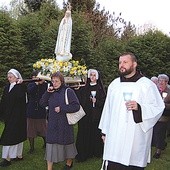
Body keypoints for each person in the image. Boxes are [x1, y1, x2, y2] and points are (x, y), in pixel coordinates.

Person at [99, 52, 165, 170]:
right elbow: (107, 109)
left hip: (135, 136)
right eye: (120, 62)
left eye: (125, 62)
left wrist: (139, 108)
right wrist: (104, 132)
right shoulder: (114, 85)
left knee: (132, 163)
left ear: (134, 64)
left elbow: (158, 107)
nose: (121, 65)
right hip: (115, 137)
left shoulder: (146, 85)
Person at [39, 71, 80, 170]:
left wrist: (62, 108)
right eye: (53, 81)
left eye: (56, 81)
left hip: (64, 124)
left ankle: (69, 163)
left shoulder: (68, 91)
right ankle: (49, 168)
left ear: (62, 81)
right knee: (51, 145)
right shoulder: (50, 91)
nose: (54, 83)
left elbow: (76, 106)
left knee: (67, 146)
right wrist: (47, 93)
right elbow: (42, 103)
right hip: (53, 124)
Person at [75, 69, 106, 162]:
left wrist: (97, 102)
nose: (92, 77)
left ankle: (96, 151)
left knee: (95, 133)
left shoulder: (100, 88)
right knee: (85, 133)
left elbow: (104, 102)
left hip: (96, 115)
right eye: (91, 75)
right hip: (86, 115)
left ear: (97, 77)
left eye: (94, 75)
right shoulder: (84, 88)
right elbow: (80, 99)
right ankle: (84, 152)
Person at [0, 68, 27, 167]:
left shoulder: (21, 87)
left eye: (11, 77)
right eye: (8, 77)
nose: (9, 78)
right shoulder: (7, 87)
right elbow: (3, 101)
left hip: (18, 116)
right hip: (9, 116)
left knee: (11, 137)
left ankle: (8, 158)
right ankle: (17, 156)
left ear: (16, 77)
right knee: (12, 135)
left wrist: (20, 85)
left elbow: (21, 98)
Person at [26, 71, 48, 154]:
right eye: (35, 76)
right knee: (30, 131)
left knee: (43, 129)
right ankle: (31, 148)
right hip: (31, 110)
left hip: (41, 110)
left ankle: (46, 143)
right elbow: (30, 91)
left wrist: (42, 82)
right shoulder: (30, 85)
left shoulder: (44, 85)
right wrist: (36, 84)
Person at [152, 74, 170, 159]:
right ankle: (161, 144)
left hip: (165, 115)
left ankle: (158, 151)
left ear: (166, 82)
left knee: (161, 132)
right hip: (155, 114)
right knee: (155, 132)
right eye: (159, 81)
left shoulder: (169, 91)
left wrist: (164, 105)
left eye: (163, 82)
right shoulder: (155, 90)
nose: (160, 83)